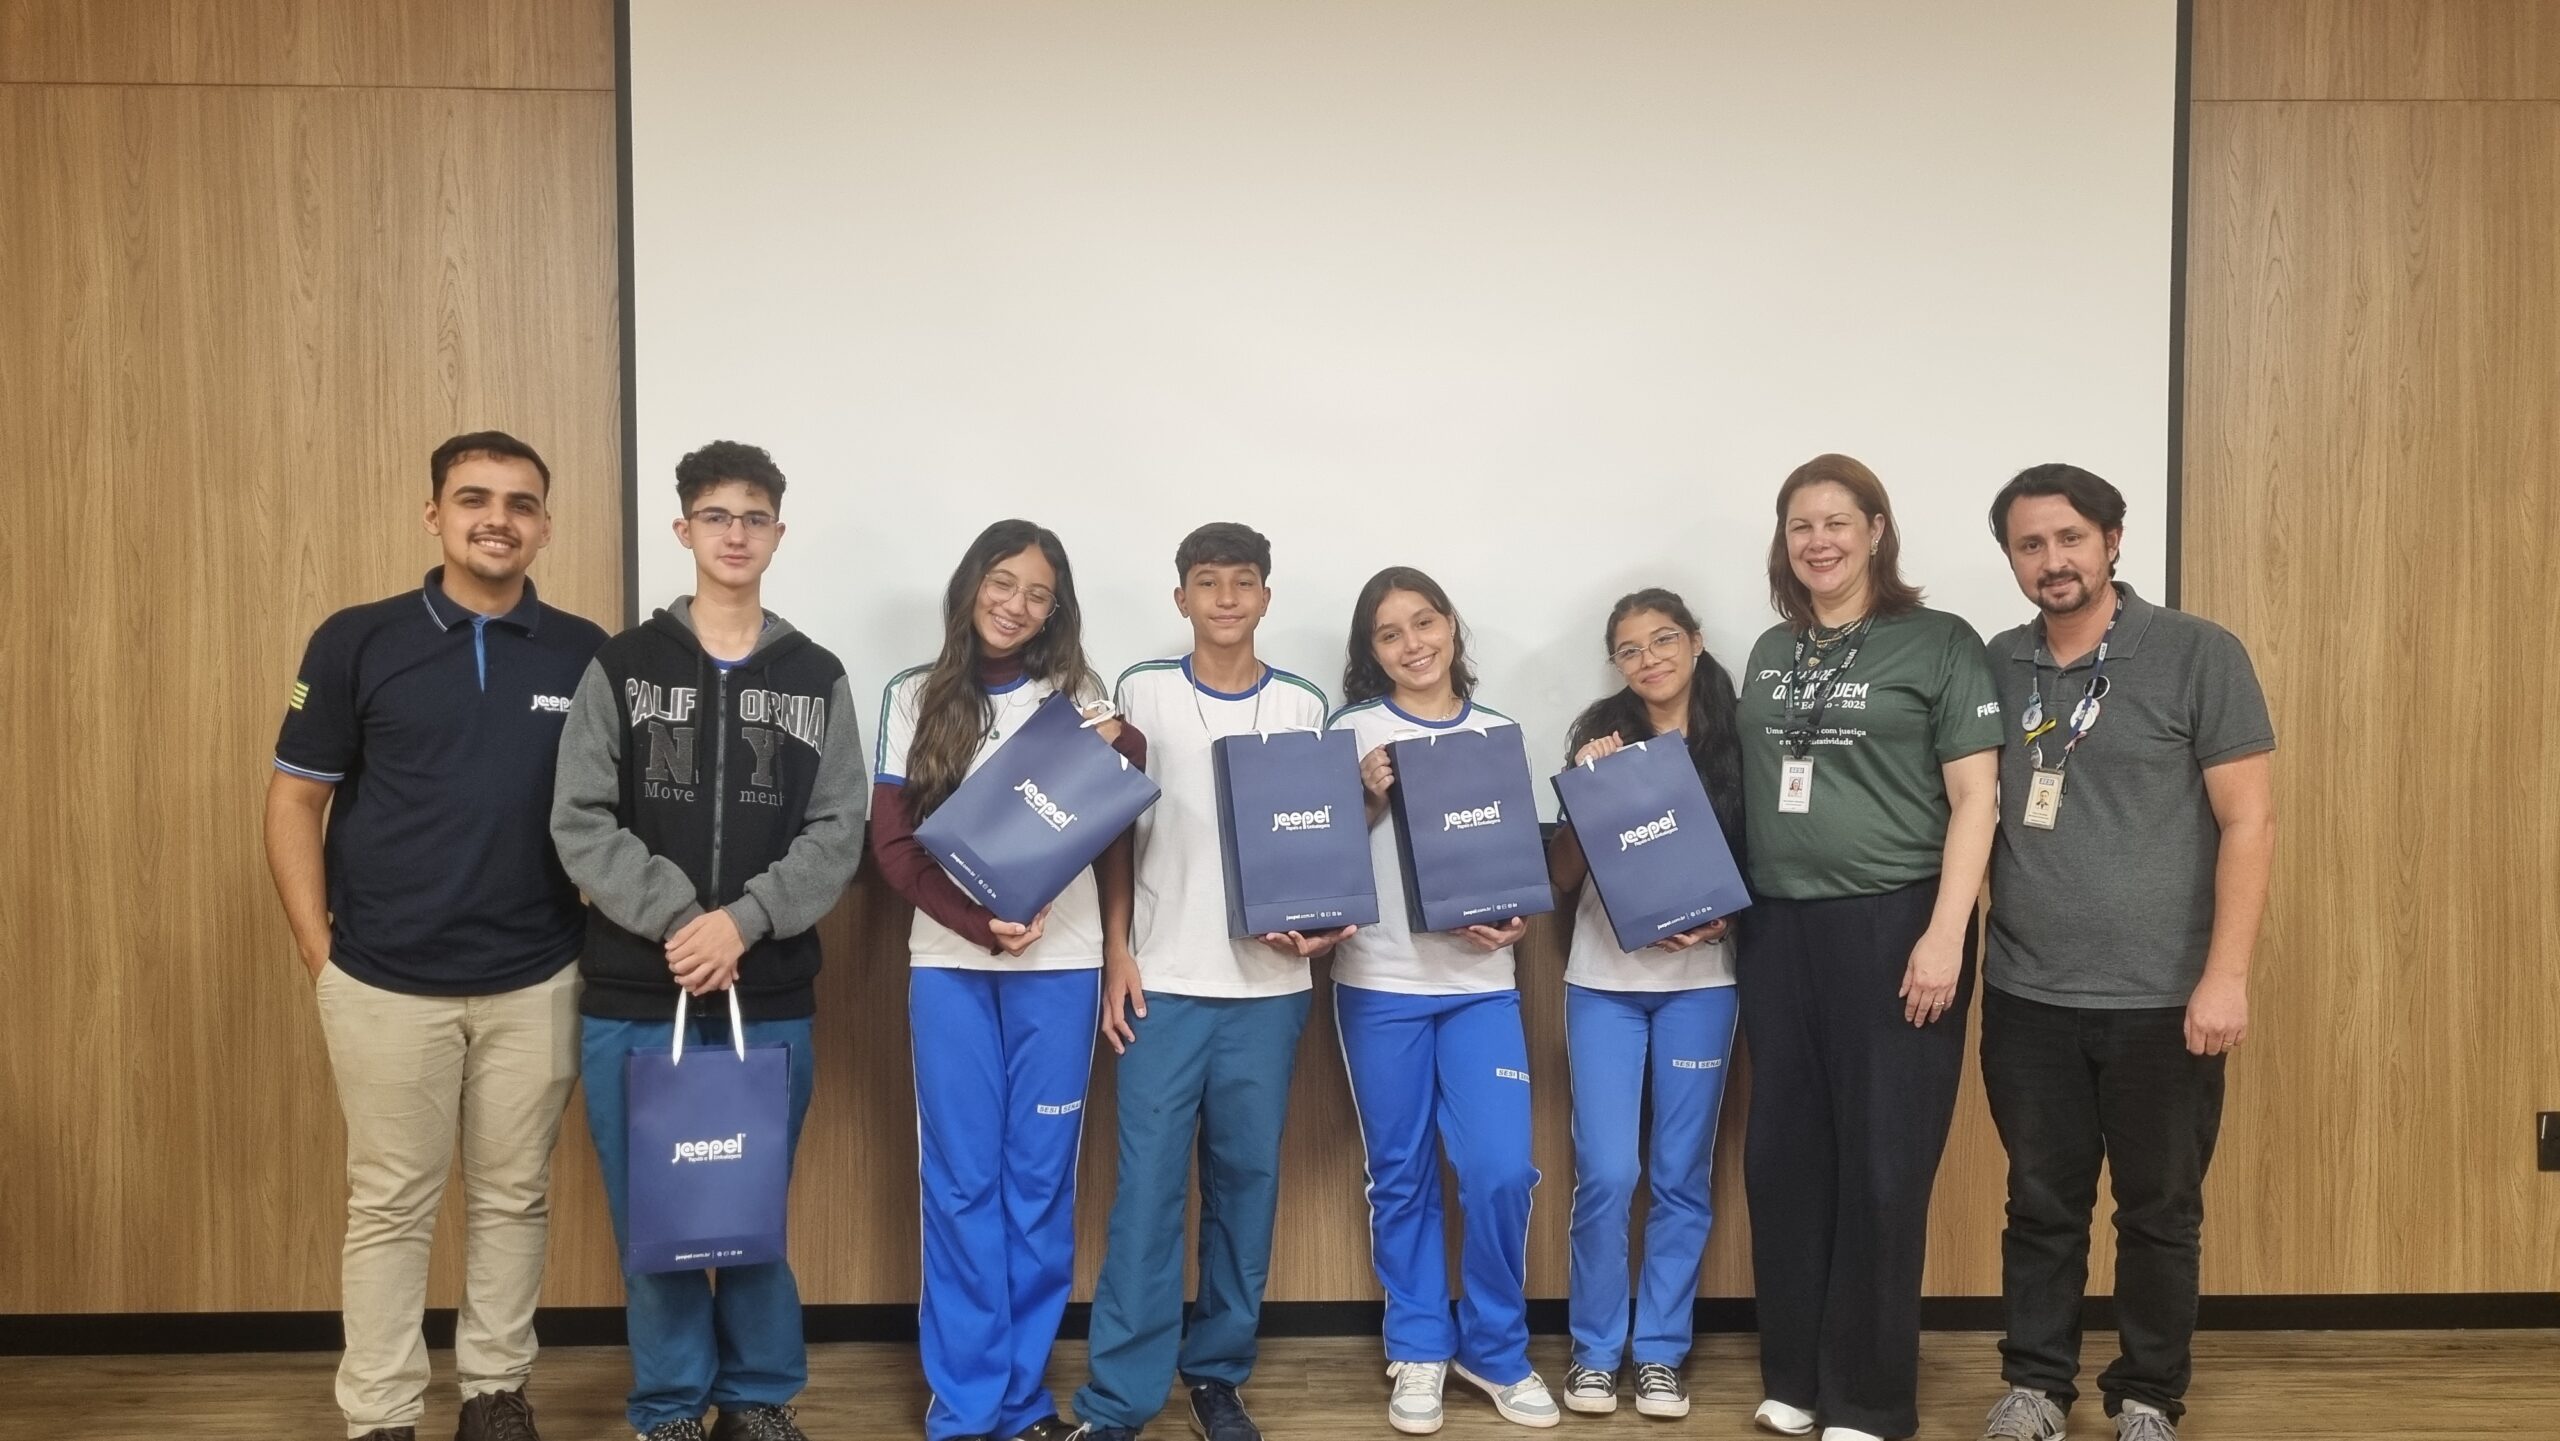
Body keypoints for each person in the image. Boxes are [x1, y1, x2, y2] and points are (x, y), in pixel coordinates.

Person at [265, 431, 607, 1441]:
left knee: (513, 1198)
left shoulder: (586, 651)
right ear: (434, 515)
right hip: (382, 978)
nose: (497, 519)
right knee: (390, 1204)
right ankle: (380, 1413)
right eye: (474, 498)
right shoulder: (356, 640)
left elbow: (610, 812)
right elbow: (294, 801)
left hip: (536, 975)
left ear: (545, 525)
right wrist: (320, 953)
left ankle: (495, 1394)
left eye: (520, 503)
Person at [552, 440, 869, 1441]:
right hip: (637, 993)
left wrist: (744, 921)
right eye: (717, 516)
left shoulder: (816, 675)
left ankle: (759, 1396)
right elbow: (580, 819)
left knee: (746, 1206)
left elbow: (839, 828)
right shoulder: (622, 665)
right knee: (660, 1215)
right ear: (683, 528)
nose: (736, 534)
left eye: (755, 517)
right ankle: (669, 1407)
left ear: (779, 533)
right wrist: (682, 918)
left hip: (765, 995)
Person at [1970, 465, 2274, 1441]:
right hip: (2027, 992)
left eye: (2069, 538)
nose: (2051, 560)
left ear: (2111, 540)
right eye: (2029, 544)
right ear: (2011, 557)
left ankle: (2147, 1395)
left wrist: (2224, 976)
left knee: (2158, 1210)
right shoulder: (1996, 663)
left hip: (2163, 998)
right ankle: (2035, 1387)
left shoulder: (2197, 653)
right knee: (2039, 1204)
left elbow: (2249, 821)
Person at [1735, 454, 2002, 1441]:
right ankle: (1798, 1378)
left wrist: (1945, 933)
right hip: (1777, 930)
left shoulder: (1940, 642)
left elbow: (1976, 798)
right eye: (1800, 525)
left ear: (1877, 530)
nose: (1819, 541)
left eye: (1837, 522)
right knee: (1785, 1157)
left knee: (1884, 1165)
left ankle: (1871, 1400)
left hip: (1896, 923)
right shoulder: (1773, 649)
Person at [870, 520, 1146, 1441]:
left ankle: (1022, 1402)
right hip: (951, 968)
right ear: (971, 585)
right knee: (960, 1185)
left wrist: (1127, 744)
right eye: (1002, 582)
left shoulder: (1079, 698)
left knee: (1038, 1186)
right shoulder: (913, 694)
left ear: (1056, 608)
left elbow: (1114, 820)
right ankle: (966, 1405)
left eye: (1038, 592)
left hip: (1061, 968)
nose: (1016, 604)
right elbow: (894, 847)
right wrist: (977, 924)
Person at [1069, 523, 1340, 1441]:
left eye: (1244, 581)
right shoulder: (1138, 692)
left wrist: (1323, 927)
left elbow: (1322, 844)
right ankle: (1118, 1401)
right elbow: (1112, 830)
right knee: (1146, 1194)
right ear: (1180, 596)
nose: (1227, 597)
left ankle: (1217, 1374)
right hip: (1163, 982)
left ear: (1267, 596)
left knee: (1245, 1188)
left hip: (1268, 989)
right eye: (1208, 581)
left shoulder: (1304, 704)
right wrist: (1117, 949)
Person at [1328, 566, 1559, 1436]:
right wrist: (1362, 795)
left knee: (1499, 1169)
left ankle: (1494, 1349)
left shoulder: (1498, 732)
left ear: (1451, 626)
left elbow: (1513, 863)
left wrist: (1517, 921)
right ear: (1372, 651)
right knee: (1401, 1174)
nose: (1413, 644)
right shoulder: (1351, 730)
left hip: (1478, 989)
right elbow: (1315, 859)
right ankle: (1419, 1343)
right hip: (1379, 981)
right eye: (1389, 633)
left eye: (1424, 622)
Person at [1545, 588, 1746, 1421]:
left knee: (1679, 1175)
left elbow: (1762, 860)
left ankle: (1659, 1351)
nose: (1649, 658)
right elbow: (1561, 877)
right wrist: (1586, 795)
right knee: (1606, 1172)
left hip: (1704, 986)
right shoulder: (1601, 738)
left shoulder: (1741, 737)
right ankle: (1596, 1352)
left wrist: (1723, 916)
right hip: (1604, 983)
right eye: (1629, 649)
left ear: (1695, 641)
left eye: (1663, 639)